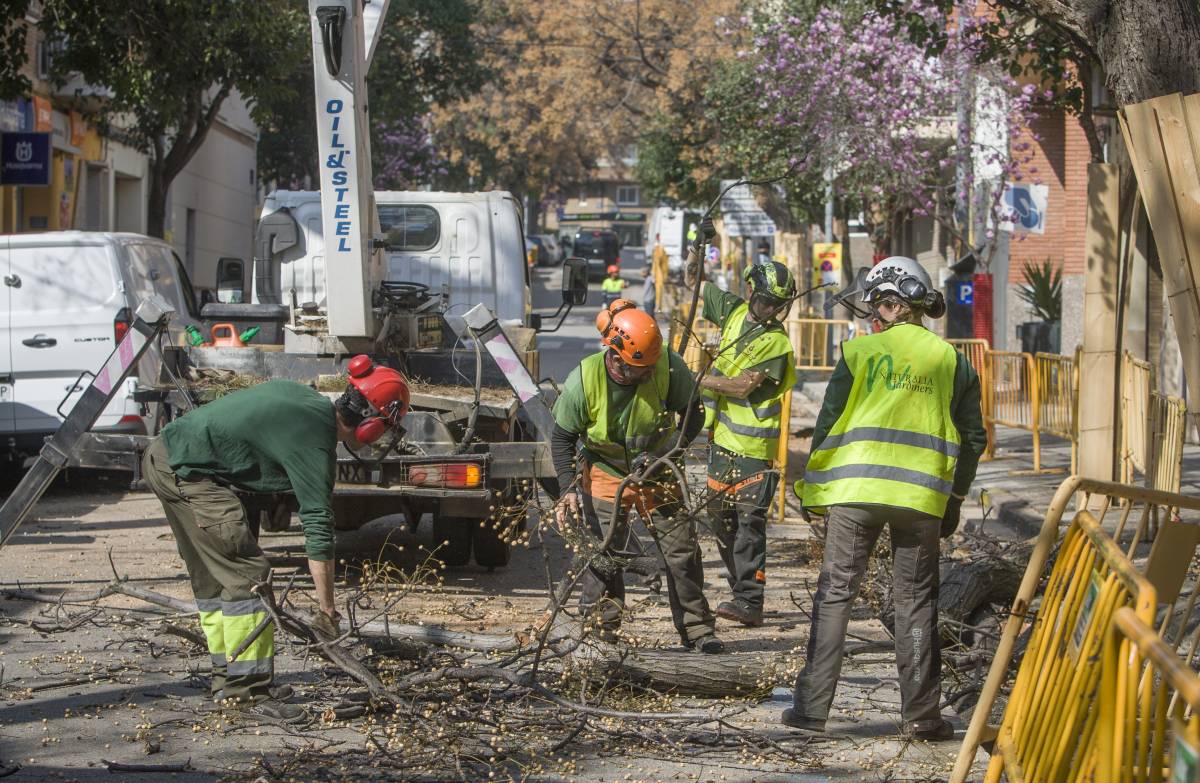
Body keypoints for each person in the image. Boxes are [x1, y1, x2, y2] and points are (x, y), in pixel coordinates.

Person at [783, 256, 987, 740]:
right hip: (920, 501)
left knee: (836, 595)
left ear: (894, 304)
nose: (874, 316)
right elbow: (973, 439)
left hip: (855, 494)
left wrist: (813, 491)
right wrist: (954, 498)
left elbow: (828, 428)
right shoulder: (952, 362)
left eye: (877, 307)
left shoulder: (859, 355)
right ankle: (921, 717)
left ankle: (811, 711)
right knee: (916, 603)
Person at [141, 358, 410, 721]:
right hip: (187, 472)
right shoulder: (317, 443)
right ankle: (247, 692)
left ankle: (228, 679)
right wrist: (327, 610)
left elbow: (260, 435)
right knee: (250, 577)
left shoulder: (308, 401)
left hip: (167, 456)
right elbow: (318, 527)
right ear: (372, 424)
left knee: (214, 577)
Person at [551, 299, 723, 653]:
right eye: (638, 369)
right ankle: (601, 632)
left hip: (658, 469)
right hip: (605, 468)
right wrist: (568, 487)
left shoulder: (667, 367)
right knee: (604, 556)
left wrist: (664, 453)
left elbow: (694, 416)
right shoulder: (584, 379)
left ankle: (697, 629)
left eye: (648, 368)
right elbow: (562, 437)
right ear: (615, 357)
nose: (646, 374)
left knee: (682, 550)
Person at [686, 252, 796, 627]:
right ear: (750, 291)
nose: (770, 311)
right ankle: (738, 591)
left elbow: (742, 386)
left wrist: (697, 380)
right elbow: (693, 282)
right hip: (724, 443)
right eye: (765, 302)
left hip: (753, 451)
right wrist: (696, 250)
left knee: (749, 526)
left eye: (777, 306)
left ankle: (751, 600)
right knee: (721, 521)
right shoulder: (732, 310)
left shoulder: (776, 343)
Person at [643, 234, 670, 317]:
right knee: (650, 317)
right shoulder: (651, 278)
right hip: (649, 300)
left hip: (648, 301)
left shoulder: (651, 277)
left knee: (650, 317)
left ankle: (658, 307)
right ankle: (658, 307)